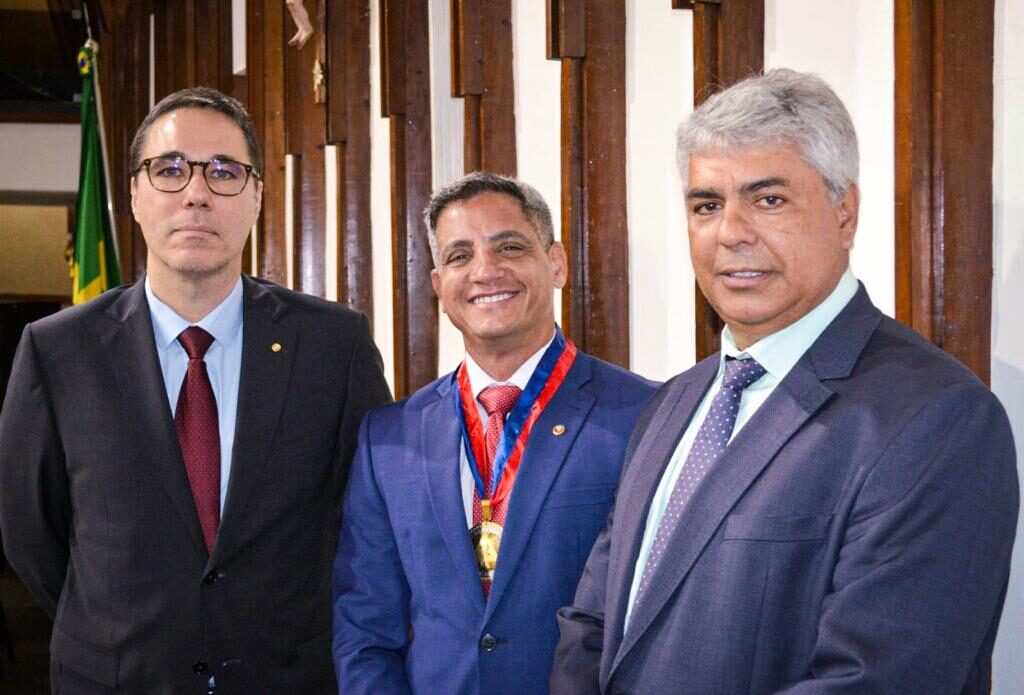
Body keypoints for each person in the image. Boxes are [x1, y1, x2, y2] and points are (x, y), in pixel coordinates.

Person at [550, 69, 1018, 694]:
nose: (731, 232)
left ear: (845, 214)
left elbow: (876, 681)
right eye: (707, 205)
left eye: (768, 200)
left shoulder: (936, 418)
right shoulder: (673, 402)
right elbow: (595, 621)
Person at [0, 86, 391, 694]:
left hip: (287, 678)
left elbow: (369, 521)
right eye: (170, 169)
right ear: (135, 194)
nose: (197, 193)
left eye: (225, 171)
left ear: (257, 197)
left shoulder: (333, 346)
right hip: (117, 677)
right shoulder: (58, 352)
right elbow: (32, 534)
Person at [332, 172, 657, 694]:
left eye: (509, 247)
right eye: (459, 256)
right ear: (439, 286)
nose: (485, 271)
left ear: (556, 263)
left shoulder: (643, 415)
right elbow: (365, 629)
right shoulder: (388, 438)